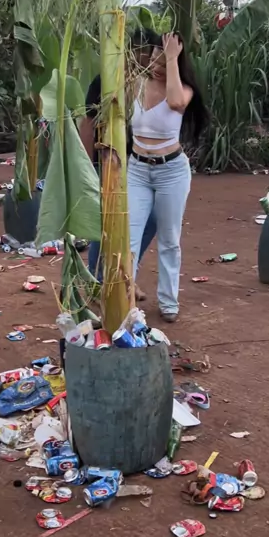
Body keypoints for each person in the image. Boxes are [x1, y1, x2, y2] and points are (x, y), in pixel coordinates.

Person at [128, 32, 209, 323]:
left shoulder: (183, 90)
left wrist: (172, 57)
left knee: (169, 239)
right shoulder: (136, 85)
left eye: (163, 61)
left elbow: (175, 102)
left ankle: (168, 302)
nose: (157, 66)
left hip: (171, 171)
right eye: (154, 59)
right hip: (136, 169)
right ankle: (122, 301)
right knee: (129, 238)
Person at [79, 30, 157, 299]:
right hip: (109, 161)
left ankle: (126, 274)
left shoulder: (152, 83)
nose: (149, 60)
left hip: (143, 163)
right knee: (106, 221)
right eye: (145, 53)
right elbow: (88, 123)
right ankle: (98, 281)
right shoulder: (105, 81)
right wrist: (87, 167)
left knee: (151, 218)